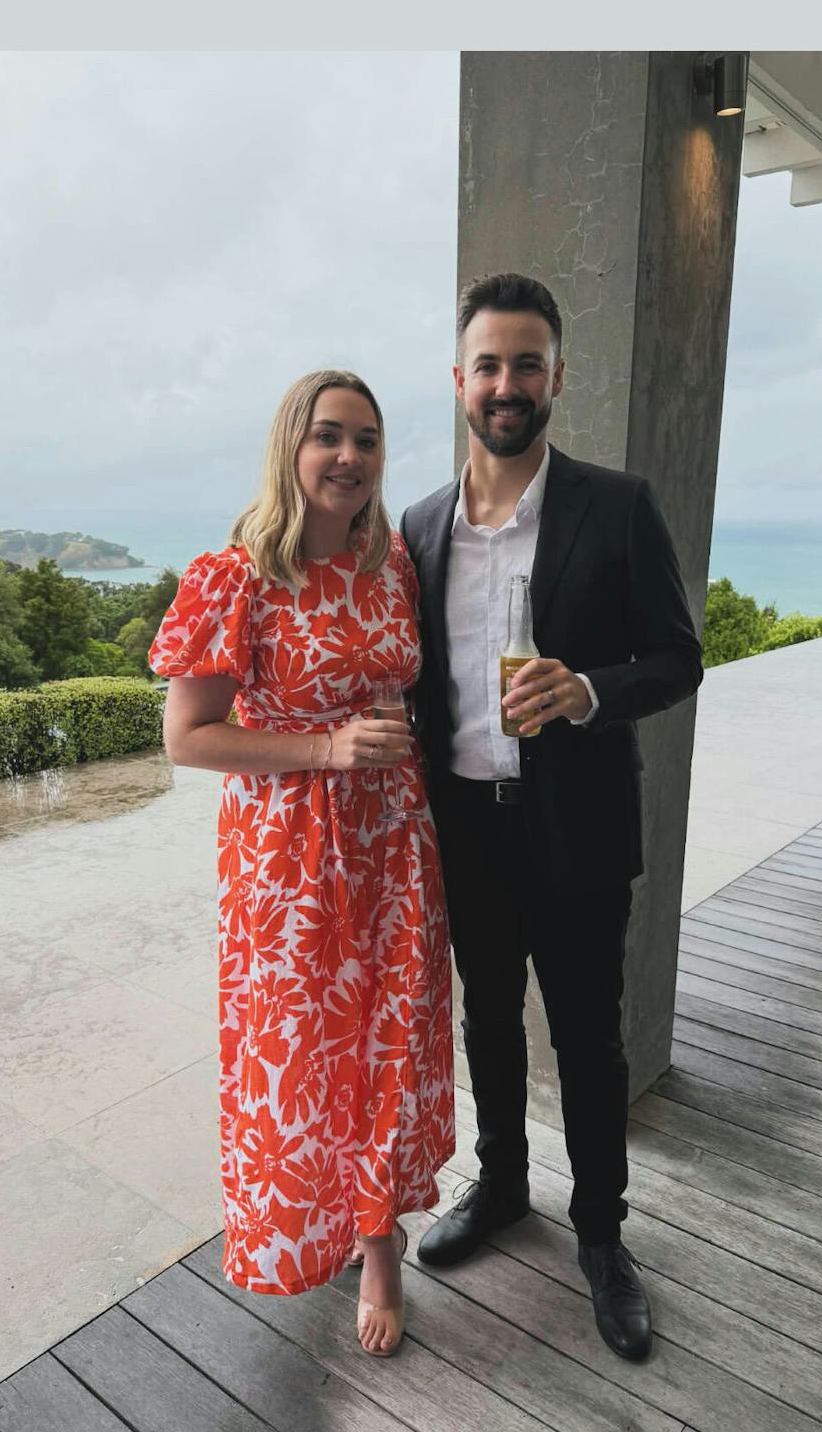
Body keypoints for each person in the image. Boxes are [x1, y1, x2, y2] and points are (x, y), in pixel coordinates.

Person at [401, 273, 703, 1362]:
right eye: (488, 364)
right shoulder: (419, 525)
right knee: (487, 1018)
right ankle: (502, 1186)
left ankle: (603, 1236)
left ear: (556, 376)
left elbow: (677, 657)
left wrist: (585, 692)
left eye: (526, 363)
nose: (507, 383)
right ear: (459, 380)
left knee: (587, 1038)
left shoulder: (616, 505)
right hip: (467, 828)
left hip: (577, 827)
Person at [149, 368, 454, 1358]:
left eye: (366, 438)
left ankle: (378, 1246)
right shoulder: (234, 576)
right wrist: (324, 747)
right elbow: (188, 737)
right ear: (291, 445)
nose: (349, 456)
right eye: (328, 435)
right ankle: (321, 1226)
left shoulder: (392, 563)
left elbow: (402, 682)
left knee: (386, 1046)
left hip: (393, 846)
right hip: (288, 863)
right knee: (305, 1055)